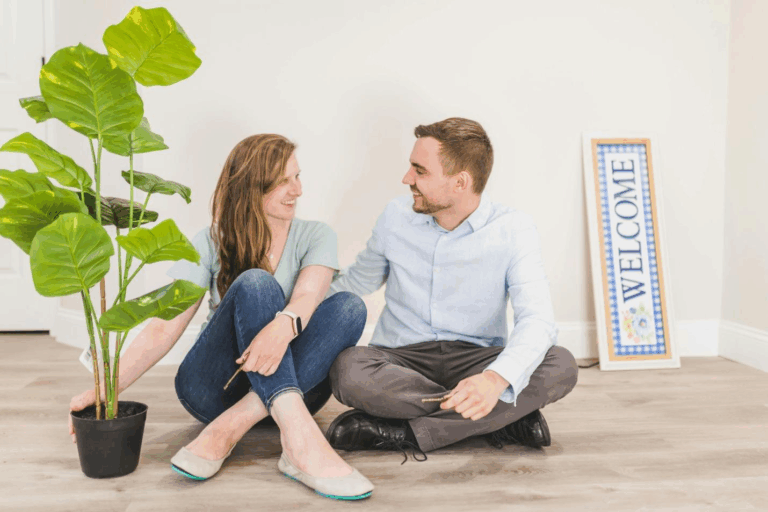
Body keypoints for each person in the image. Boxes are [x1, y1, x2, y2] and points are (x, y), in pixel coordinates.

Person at [69, 134, 374, 500]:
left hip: (297, 388)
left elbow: (310, 293)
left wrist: (282, 327)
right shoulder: (210, 240)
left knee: (350, 307)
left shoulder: (315, 235)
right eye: (283, 182)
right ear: (250, 187)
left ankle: (230, 428)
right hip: (215, 389)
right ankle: (296, 443)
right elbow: (165, 326)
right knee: (256, 284)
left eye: (298, 176)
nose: (298, 190)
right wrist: (105, 390)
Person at [325, 118, 578, 460]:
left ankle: (408, 431)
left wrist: (493, 380)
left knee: (561, 364)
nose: (406, 179)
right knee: (348, 370)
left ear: (460, 182)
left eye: (420, 170)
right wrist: (295, 303)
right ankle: (498, 419)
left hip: (477, 357)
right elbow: (357, 282)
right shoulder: (395, 216)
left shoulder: (513, 229)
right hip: (402, 361)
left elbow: (538, 320)